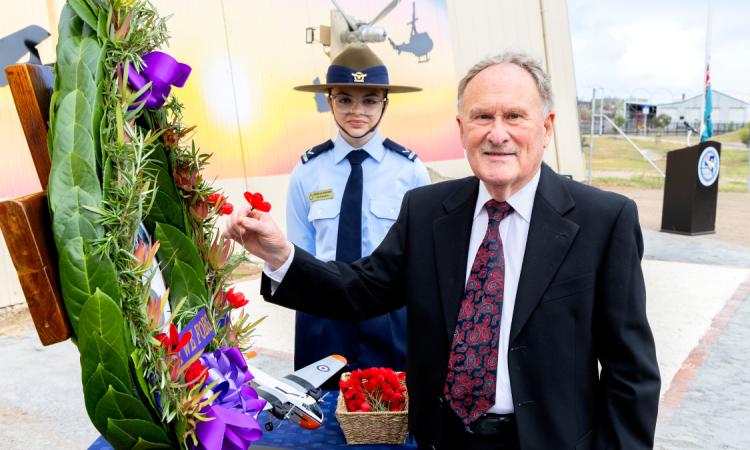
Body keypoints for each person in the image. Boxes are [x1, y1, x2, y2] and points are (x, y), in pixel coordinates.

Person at [227, 52, 660, 450]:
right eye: (482, 116)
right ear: (461, 129)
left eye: (514, 116)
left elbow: (631, 377)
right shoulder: (428, 211)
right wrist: (281, 253)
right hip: (445, 439)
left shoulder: (604, 221)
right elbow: (359, 290)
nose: (497, 133)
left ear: (546, 127)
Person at [288, 43, 430, 386]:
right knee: (317, 417)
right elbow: (299, 252)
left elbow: (419, 258)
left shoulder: (410, 171)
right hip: (322, 314)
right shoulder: (308, 171)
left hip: (389, 315)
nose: (357, 111)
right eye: (345, 99)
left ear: (385, 103)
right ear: (330, 101)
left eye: (369, 100)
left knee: (392, 420)